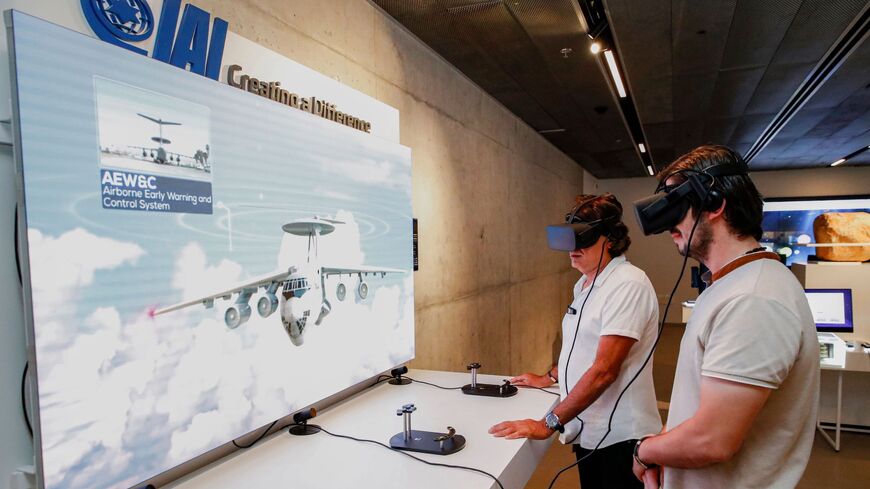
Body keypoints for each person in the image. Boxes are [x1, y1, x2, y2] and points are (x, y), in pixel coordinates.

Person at [631, 145, 819, 488]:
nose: (667, 224)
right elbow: (700, 413)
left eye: (677, 205)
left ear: (715, 203)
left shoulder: (753, 298)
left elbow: (712, 440)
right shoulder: (730, 284)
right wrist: (666, 450)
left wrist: (646, 450)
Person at [489, 193, 661, 489]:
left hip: (620, 436)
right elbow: (582, 347)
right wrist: (549, 376)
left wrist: (547, 424)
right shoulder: (584, 283)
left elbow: (605, 369)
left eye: (583, 240)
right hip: (590, 428)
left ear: (610, 240)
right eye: (570, 240)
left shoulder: (628, 284)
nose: (573, 250)